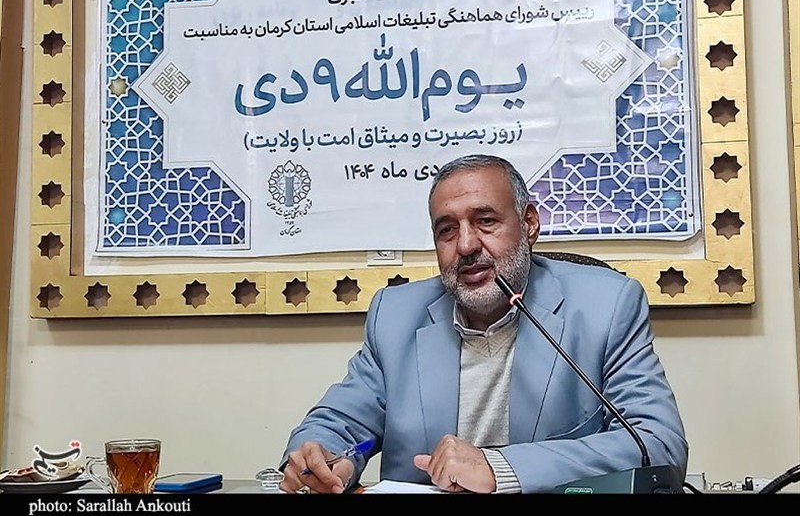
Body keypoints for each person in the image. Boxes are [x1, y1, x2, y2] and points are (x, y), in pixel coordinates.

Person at [279, 154, 688, 494]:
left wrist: (500, 467)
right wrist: (325, 455)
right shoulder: (395, 314)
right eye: (447, 230)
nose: (466, 245)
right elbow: (341, 422)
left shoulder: (606, 305)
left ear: (529, 224)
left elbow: (657, 444)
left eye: (486, 221)